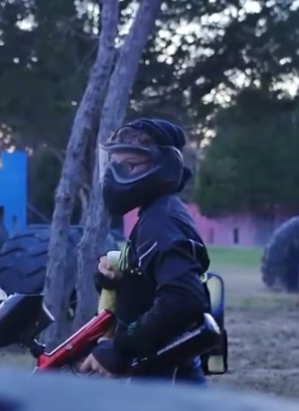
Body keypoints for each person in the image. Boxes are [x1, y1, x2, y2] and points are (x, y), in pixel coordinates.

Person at [77, 118, 211, 385]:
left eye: (131, 166)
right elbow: (156, 284)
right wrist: (118, 282)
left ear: (165, 166)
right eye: (114, 165)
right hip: (160, 375)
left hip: (170, 382)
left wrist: (121, 348)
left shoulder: (161, 221)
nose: (117, 176)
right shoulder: (156, 214)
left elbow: (184, 299)